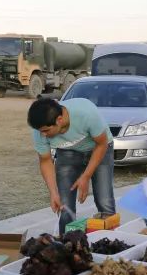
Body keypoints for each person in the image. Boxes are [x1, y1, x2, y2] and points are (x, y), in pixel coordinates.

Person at [27, 97, 115, 234]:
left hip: (99, 148)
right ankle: (67, 245)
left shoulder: (86, 113)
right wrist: (53, 193)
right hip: (68, 152)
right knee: (64, 205)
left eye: (46, 131)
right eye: (40, 131)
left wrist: (86, 176)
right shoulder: (40, 130)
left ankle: (110, 243)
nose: (42, 135)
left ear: (59, 120)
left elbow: (101, 144)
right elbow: (45, 161)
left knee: (105, 200)